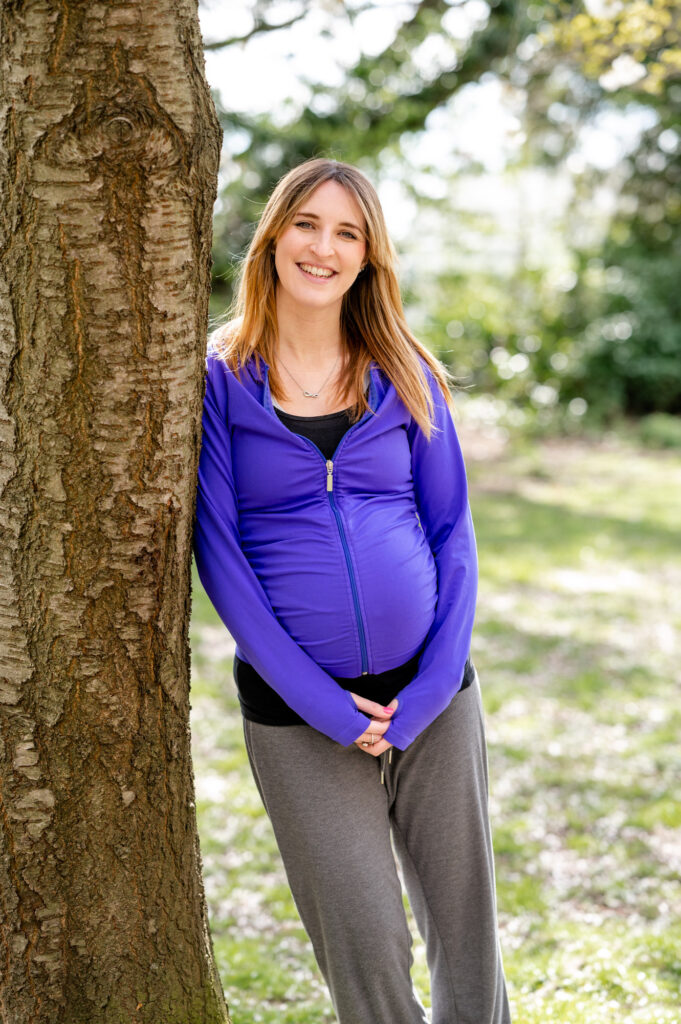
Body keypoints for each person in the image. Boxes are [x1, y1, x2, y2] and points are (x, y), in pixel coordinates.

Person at [192, 157, 511, 1024]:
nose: (322, 248)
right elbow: (218, 555)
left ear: (368, 257)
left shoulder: (406, 370)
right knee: (366, 952)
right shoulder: (218, 381)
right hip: (301, 718)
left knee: (466, 936)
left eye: (347, 232)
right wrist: (331, 709)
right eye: (306, 224)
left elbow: (452, 536)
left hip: (434, 699)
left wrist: (434, 684)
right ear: (272, 236)